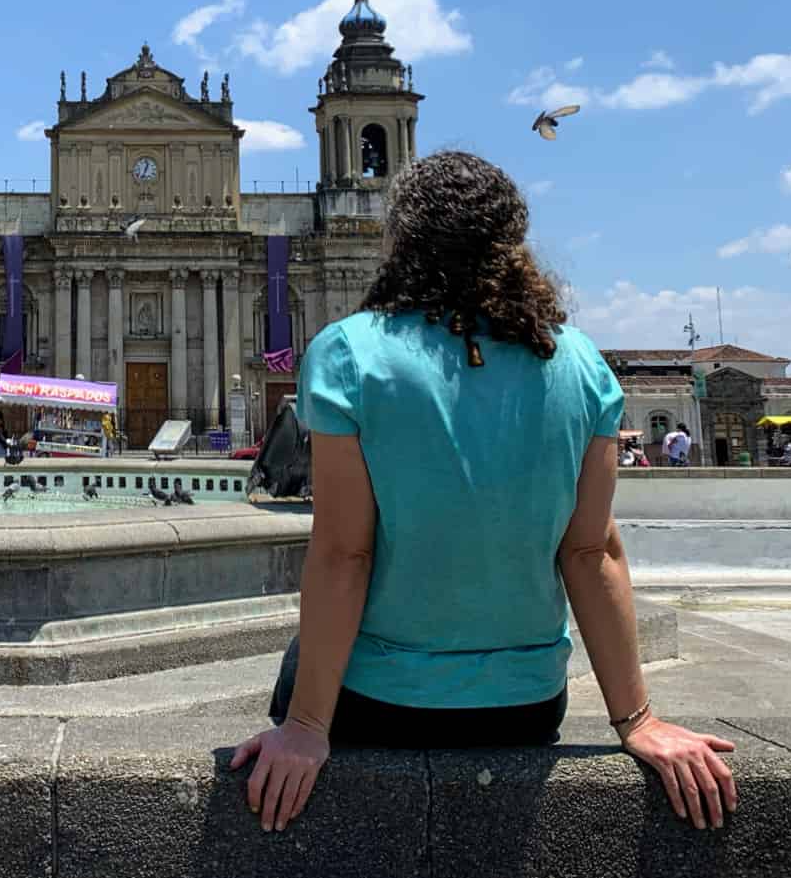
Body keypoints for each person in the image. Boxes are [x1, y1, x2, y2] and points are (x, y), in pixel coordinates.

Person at [232, 152, 735, 835]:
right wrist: (638, 720)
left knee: (300, 661)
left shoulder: (349, 352)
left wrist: (307, 728)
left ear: (401, 239)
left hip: (383, 701)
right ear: (512, 243)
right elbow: (591, 552)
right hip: (528, 704)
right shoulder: (582, 361)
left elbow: (346, 553)